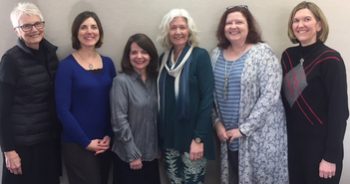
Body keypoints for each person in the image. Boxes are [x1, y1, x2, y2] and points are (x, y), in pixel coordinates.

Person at [211, 5, 289, 184]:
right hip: (228, 138)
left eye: (239, 22)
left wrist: (244, 129)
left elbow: (270, 95)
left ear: (249, 27)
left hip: (259, 139)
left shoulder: (263, 53)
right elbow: (210, 95)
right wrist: (216, 124)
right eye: (229, 23)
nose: (233, 26)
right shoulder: (215, 55)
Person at [281, 2, 348, 184]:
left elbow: (339, 111)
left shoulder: (331, 59)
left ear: (319, 25)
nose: (300, 24)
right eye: (296, 20)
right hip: (293, 147)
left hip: (321, 150)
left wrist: (331, 156)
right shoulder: (287, 56)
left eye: (307, 19)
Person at [0, 2, 61, 184]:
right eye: (26, 25)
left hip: (48, 143)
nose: (34, 29)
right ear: (17, 30)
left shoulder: (51, 55)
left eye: (37, 23)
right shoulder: (10, 60)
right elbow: (1, 110)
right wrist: (9, 150)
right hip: (22, 147)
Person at [55, 11, 116, 184]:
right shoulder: (66, 67)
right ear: (76, 33)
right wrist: (85, 142)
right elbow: (62, 110)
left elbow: (113, 104)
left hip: (104, 142)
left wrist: (109, 135)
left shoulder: (109, 63)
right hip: (77, 143)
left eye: (94, 27)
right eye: (84, 27)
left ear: (100, 32)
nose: (89, 31)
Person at [157, 8, 215, 184]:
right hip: (169, 136)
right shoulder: (163, 59)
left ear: (189, 30)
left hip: (193, 136)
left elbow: (207, 99)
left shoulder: (200, 56)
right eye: (173, 27)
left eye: (182, 27)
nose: (178, 32)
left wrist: (199, 138)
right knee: (174, 181)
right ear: (167, 31)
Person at [110, 33, 160, 184]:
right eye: (134, 52)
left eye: (144, 52)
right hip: (128, 157)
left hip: (151, 154)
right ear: (128, 56)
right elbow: (119, 121)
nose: (139, 56)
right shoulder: (121, 82)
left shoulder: (155, 80)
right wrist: (133, 154)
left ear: (151, 55)